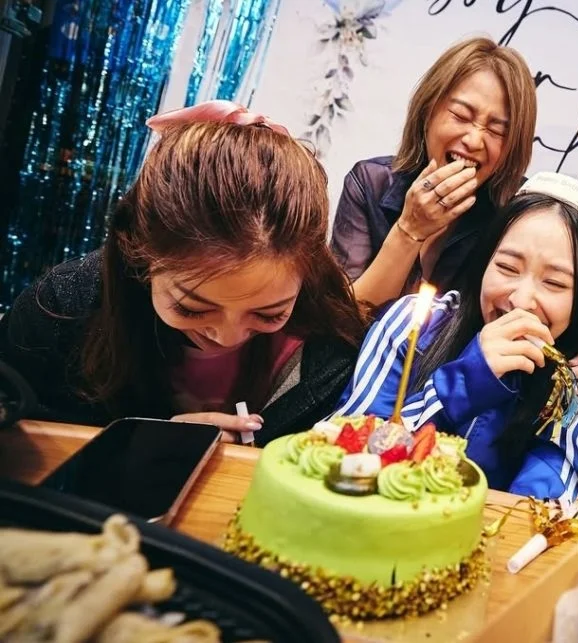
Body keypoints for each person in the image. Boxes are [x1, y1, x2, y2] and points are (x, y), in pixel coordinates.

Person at [0, 101, 366, 444]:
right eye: (192, 308)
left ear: (309, 273)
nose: (227, 336)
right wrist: (134, 450)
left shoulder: (332, 350)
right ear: (139, 254)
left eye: (269, 314)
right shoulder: (62, 310)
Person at [334, 173, 578, 501]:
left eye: (554, 283)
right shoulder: (411, 324)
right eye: (507, 267)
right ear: (484, 264)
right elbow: (345, 452)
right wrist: (466, 381)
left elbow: (547, 499)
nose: (521, 301)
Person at [331, 37, 537, 309]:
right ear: (427, 111)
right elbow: (341, 317)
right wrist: (409, 230)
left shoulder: (518, 210)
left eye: (497, 130)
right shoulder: (370, 183)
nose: (474, 140)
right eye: (461, 116)